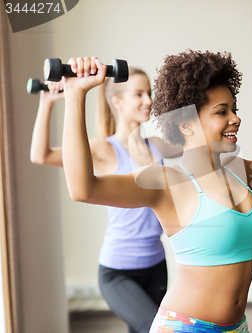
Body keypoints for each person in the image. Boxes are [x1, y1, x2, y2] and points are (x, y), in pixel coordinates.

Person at [60, 50, 252, 332]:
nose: (235, 119)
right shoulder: (168, 181)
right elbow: (84, 188)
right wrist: (75, 95)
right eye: (222, 112)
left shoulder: (235, 169)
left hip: (237, 327)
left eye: (234, 109)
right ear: (186, 124)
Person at [30, 68, 181, 333]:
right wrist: (47, 103)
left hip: (156, 263)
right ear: (117, 102)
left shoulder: (157, 145)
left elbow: (196, 136)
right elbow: (40, 155)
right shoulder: (104, 149)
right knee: (156, 329)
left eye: (149, 93)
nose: (148, 100)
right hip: (118, 271)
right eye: (138, 94)